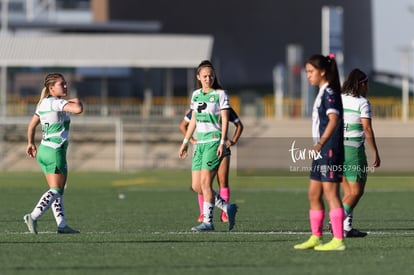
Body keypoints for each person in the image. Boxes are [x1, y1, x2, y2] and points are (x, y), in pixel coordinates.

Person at [294, 54, 346, 251]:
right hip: (321, 152)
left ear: (322, 71)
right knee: (313, 194)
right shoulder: (322, 92)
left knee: (331, 194)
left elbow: (333, 119)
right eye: (307, 72)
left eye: (310, 71)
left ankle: (338, 240)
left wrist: (320, 144)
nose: (308, 76)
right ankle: (316, 236)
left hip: (329, 150)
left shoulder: (330, 92)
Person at [179, 60, 238, 232]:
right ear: (198, 77)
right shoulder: (196, 95)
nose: (208, 78)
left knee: (206, 182)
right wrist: (185, 142)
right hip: (200, 144)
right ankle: (227, 207)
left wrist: (222, 142)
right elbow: (193, 120)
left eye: (211, 75)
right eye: (204, 76)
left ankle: (208, 222)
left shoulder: (220, 94)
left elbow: (226, 120)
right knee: (197, 186)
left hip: (213, 141)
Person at [24, 73, 84, 234]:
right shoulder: (56, 103)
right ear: (51, 88)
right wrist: (76, 100)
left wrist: (30, 143)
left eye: (65, 83)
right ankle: (33, 216)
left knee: (57, 189)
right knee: (56, 190)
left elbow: (31, 126)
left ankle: (62, 225)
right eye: (61, 84)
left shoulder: (43, 103)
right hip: (55, 151)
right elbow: (78, 109)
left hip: (44, 151)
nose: (65, 86)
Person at [179, 107, 243, 223]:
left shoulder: (225, 107)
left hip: (221, 147)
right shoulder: (199, 105)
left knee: (222, 181)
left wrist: (232, 141)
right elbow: (184, 125)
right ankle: (205, 213)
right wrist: (191, 140)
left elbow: (239, 125)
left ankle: (224, 215)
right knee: (200, 185)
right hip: (203, 148)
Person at [339, 68, 381, 237]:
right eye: (367, 84)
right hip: (353, 151)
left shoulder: (339, 99)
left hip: (337, 150)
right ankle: (335, 220)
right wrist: (376, 153)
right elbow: (367, 129)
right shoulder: (362, 103)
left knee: (348, 193)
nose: (367, 88)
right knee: (356, 192)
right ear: (362, 84)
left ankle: (346, 227)